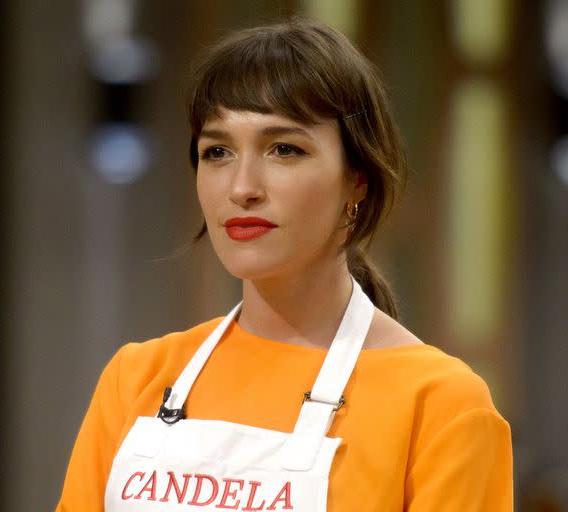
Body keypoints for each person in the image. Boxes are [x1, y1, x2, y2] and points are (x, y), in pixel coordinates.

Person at [56, 18, 513, 512]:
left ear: (357, 179)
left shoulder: (439, 406)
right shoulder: (136, 379)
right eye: (217, 152)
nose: (241, 187)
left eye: (284, 149)